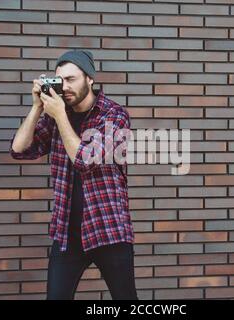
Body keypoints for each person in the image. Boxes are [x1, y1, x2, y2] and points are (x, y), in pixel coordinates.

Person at [9, 50, 138, 300]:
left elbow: (85, 160)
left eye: (71, 79)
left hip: (108, 228)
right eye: (60, 81)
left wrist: (58, 115)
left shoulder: (114, 115)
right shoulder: (58, 113)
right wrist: (37, 108)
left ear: (90, 79)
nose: (64, 87)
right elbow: (19, 148)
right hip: (67, 232)